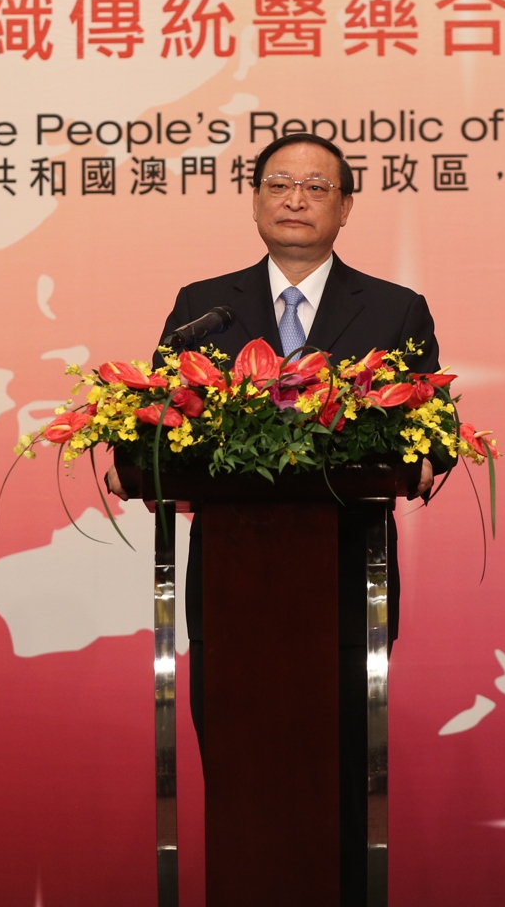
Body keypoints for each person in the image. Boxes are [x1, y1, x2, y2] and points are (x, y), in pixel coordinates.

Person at [109, 132, 452, 900]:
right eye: (279, 184)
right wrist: (134, 450)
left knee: (339, 784)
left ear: (345, 206)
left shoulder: (394, 309)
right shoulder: (204, 308)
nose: (295, 199)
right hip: (234, 599)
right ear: (256, 199)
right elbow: (159, 418)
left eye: (316, 187)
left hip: (346, 589)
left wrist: (429, 459)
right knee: (242, 784)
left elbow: (434, 428)